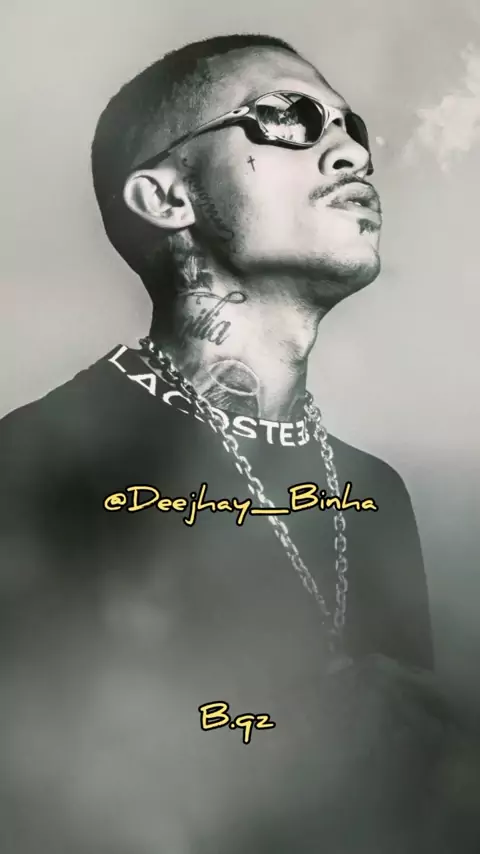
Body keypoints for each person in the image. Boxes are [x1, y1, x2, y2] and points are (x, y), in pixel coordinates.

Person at [2, 33, 478, 854]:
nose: (350, 153)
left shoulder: (374, 490)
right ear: (166, 196)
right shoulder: (34, 466)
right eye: (287, 118)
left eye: (353, 128)